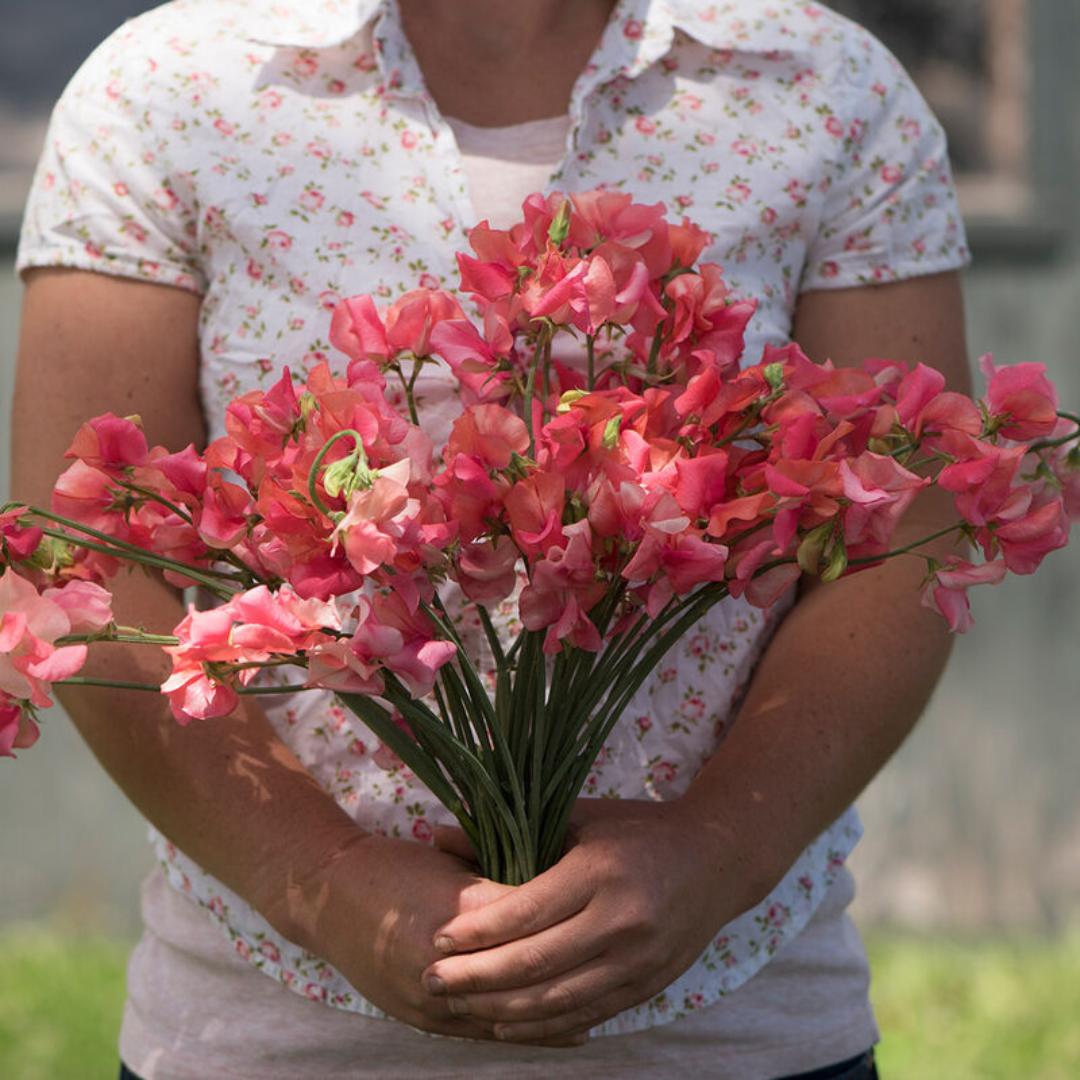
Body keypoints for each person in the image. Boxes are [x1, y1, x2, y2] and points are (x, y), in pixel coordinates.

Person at [12, 1, 971, 1076]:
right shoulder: (170, 85)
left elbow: (909, 525)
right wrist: (319, 882)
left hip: (737, 1026)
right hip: (273, 1034)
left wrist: (718, 851)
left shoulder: (819, 81)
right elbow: (81, 559)